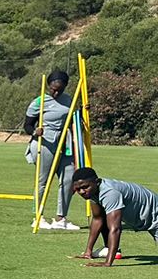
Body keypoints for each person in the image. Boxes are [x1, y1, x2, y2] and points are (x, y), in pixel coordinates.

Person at [71, 167, 158, 266]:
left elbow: (115, 228)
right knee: (103, 216)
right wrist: (88, 252)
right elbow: (98, 219)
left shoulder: (110, 193)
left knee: (111, 223)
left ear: (97, 182)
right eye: (78, 189)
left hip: (155, 218)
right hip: (146, 220)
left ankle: (111, 253)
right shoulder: (92, 192)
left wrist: (107, 263)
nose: (82, 192)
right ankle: (108, 249)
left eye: (85, 187)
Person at [24, 70, 77, 230]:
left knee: (68, 178)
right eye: (53, 89)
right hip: (44, 143)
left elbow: (76, 120)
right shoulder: (39, 101)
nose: (55, 92)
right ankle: (38, 217)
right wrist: (34, 132)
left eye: (59, 89)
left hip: (64, 143)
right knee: (43, 181)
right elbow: (27, 125)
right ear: (48, 86)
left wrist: (84, 110)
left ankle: (61, 219)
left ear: (65, 87)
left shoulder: (69, 100)